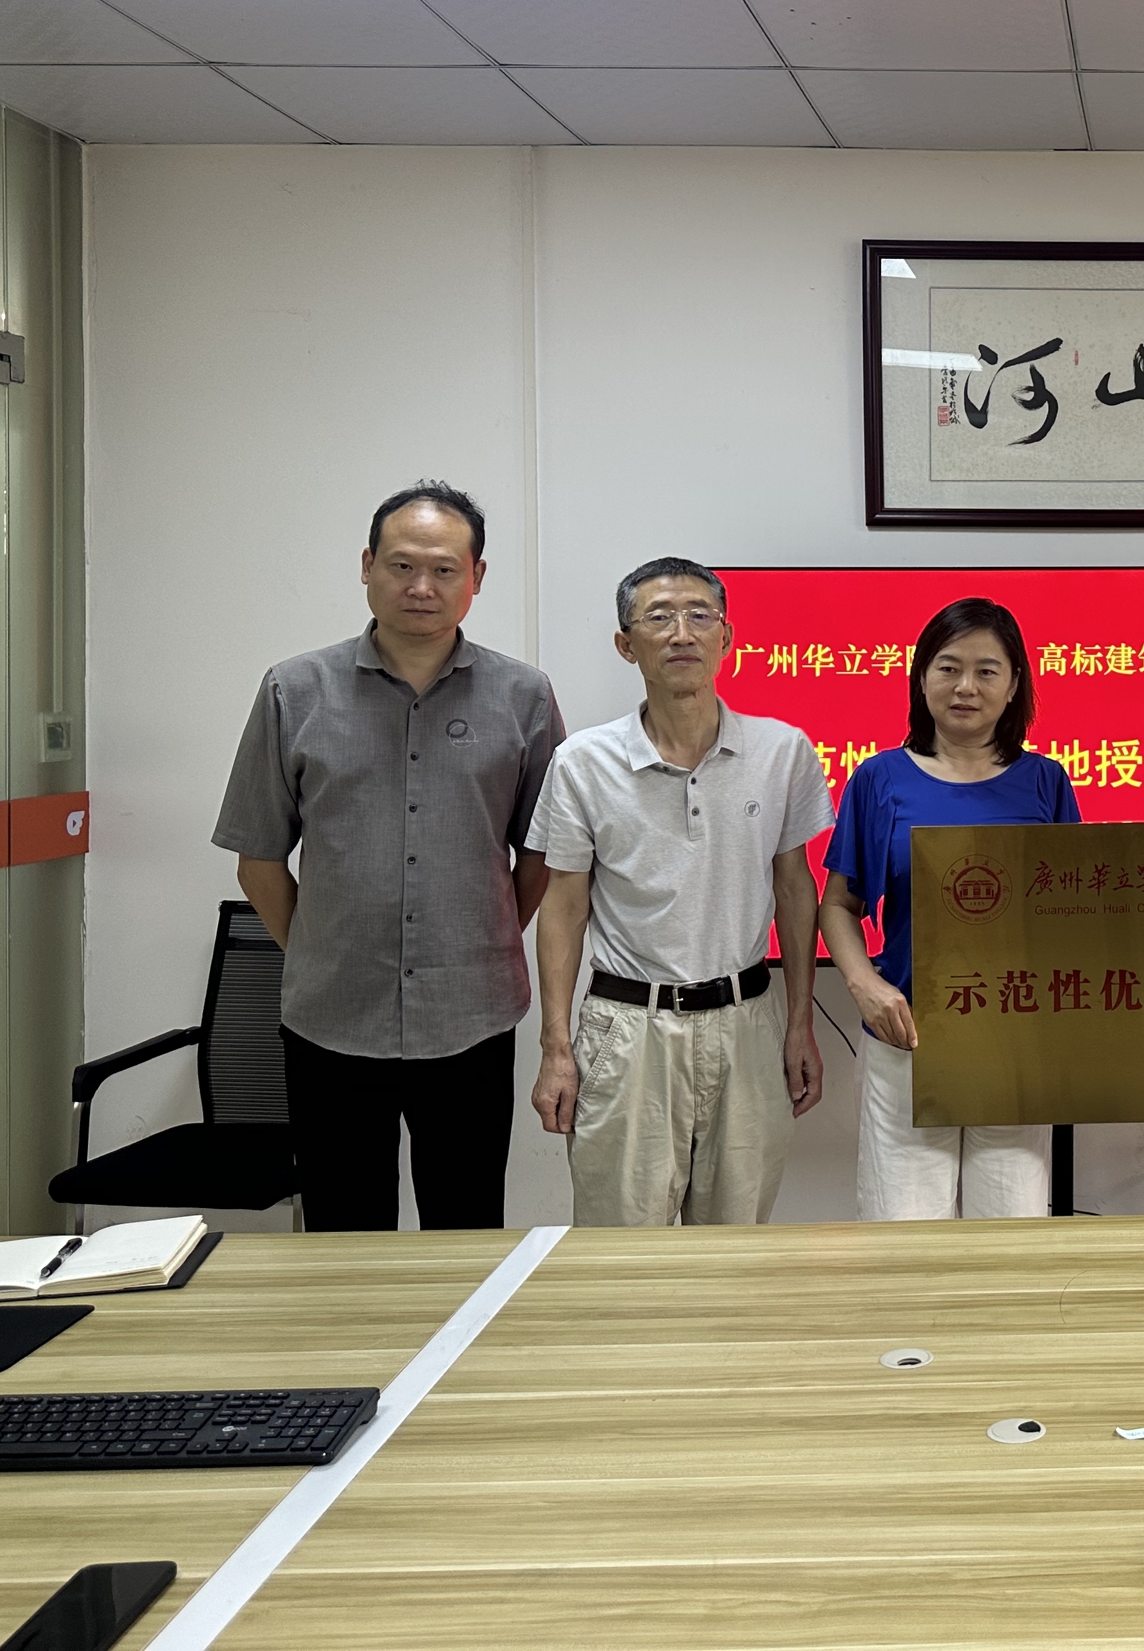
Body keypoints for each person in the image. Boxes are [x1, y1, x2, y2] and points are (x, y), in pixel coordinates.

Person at [214, 480, 563, 1231]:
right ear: (368, 565)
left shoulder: (523, 696)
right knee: (343, 1236)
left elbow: (542, 853)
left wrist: (486, 934)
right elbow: (259, 859)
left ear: (476, 577)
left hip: (471, 1014)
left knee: (466, 1228)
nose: (421, 587)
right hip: (331, 1018)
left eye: (444, 569)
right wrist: (320, 949)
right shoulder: (294, 690)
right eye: (402, 565)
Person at [525, 559, 832, 1226]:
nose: (682, 633)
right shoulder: (583, 762)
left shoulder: (782, 752)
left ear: (727, 638)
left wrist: (800, 1025)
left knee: (735, 1244)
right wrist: (556, 1047)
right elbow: (564, 907)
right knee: (621, 1248)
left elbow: (795, 889)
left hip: (747, 1022)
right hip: (628, 1028)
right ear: (626, 645)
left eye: (700, 615)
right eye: (659, 617)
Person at [820, 598, 1079, 1220]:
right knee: (903, 1233)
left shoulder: (1045, 782)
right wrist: (864, 985)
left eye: (987, 671)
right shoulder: (879, 779)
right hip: (906, 1038)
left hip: (1014, 1045)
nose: (966, 687)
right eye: (948, 667)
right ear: (921, 677)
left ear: (1014, 685)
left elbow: (1076, 913)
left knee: (1009, 1234)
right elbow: (838, 905)